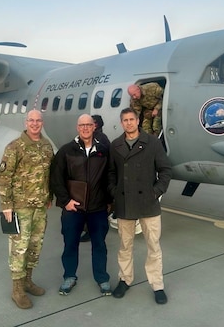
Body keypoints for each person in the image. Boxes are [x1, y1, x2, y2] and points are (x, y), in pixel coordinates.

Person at [108, 108, 172, 304]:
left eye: (131, 119)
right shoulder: (116, 145)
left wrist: (156, 192)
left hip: (148, 203)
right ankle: (125, 279)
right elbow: (110, 174)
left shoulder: (152, 143)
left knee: (153, 246)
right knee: (125, 245)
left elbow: (165, 170)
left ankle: (157, 285)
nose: (128, 123)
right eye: (125, 120)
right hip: (125, 204)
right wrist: (114, 193)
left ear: (138, 121)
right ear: (122, 123)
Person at [50, 114, 112, 296]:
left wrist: (109, 201)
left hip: (98, 208)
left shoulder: (103, 150)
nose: (85, 128)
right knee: (70, 243)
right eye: (82, 125)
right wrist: (65, 201)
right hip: (73, 208)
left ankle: (102, 278)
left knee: (99, 244)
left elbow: (110, 176)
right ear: (78, 128)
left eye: (89, 125)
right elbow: (56, 178)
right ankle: (69, 276)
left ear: (94, 127)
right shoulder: (66, 151)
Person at [0, 109, 54, 309]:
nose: (35, 124)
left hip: (40, 206)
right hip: (20, 207)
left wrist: (50, 195)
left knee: (35, 246)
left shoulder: (47, 146)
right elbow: (4, 177)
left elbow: (49, 173)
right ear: (26, 122)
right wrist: (6, 206)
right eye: (31, 120)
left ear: (42, 123)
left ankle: (28, 281)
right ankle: (17, 289)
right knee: (18, 248)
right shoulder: (15, 147)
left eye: (38, 120)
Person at [80, 114, 110, 243]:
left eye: (91, 123)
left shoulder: (99, 139)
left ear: (96, 125)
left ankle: (90, 232)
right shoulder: (102, 137)